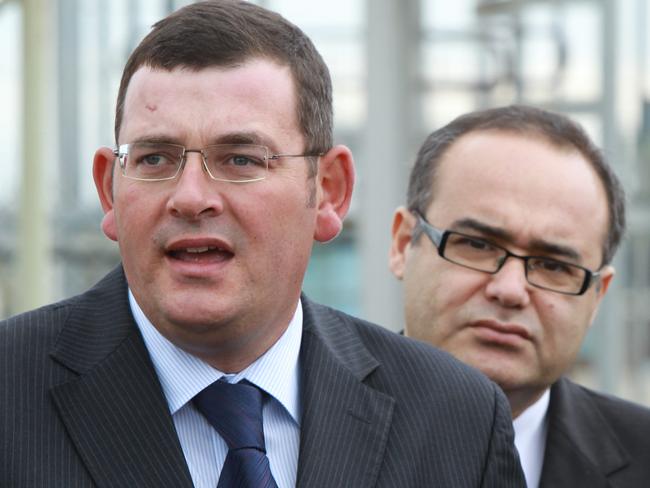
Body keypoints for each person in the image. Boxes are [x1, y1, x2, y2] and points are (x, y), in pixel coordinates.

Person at [0, 2, 525, 487]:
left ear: (329, 191)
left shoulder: (455, 419)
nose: (190, 198)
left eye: (241, 159)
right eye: (155, 159)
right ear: (109, 190)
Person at [389, 104, 650, 488]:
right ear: (401, 244)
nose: (510, 290)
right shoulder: (296, 430)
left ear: (597, 296)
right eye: (477, 244)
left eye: (555, 265)